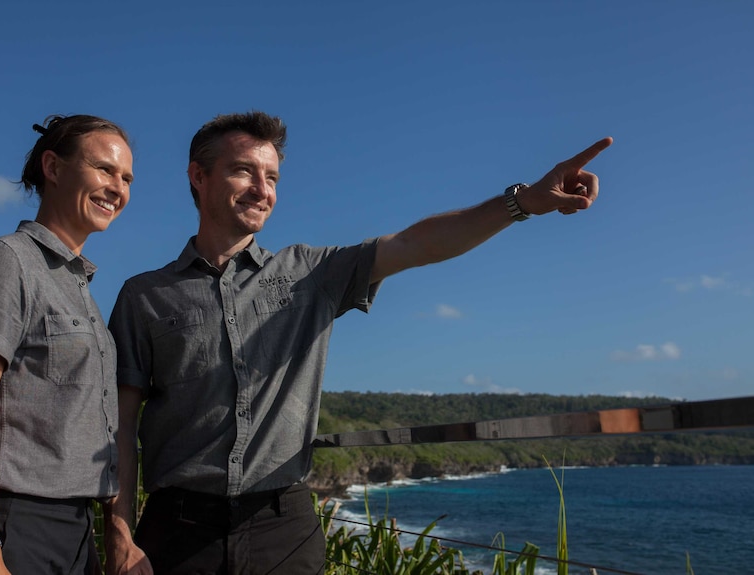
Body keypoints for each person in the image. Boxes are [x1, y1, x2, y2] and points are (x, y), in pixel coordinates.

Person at [104, 111, 612, 575]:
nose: (263, 189)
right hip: (176, 531)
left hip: (283, 527)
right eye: (244, 171)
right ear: (199, 176)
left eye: (273, 177)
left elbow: (416, 243)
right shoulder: (144, 297)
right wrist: (121, 539)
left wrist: (522, 202)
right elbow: (120, 431)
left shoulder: (311, 272)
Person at [0, 114, 134, 575]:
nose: (117, 188)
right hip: (10, 526)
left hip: (74, 536)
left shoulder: (82, 292)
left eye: (126, 178)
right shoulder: (5, 262)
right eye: (104, 169)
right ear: (53, 168)